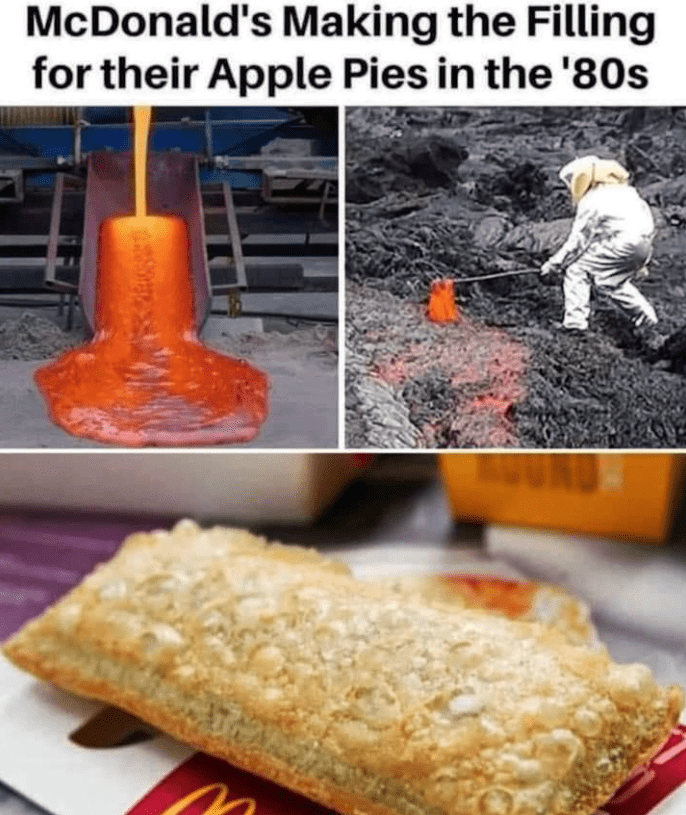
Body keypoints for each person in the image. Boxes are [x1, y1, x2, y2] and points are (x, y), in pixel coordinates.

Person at [541, 155, 658, 334]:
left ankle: (575, 325)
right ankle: (648, 319)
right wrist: (641, 260)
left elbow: (578, 241)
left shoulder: (592, 200)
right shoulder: (627, 192)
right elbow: (642, 224)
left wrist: (554, 264)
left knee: (576, 269)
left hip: (622, 244)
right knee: (611, 282)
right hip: (643, 244)